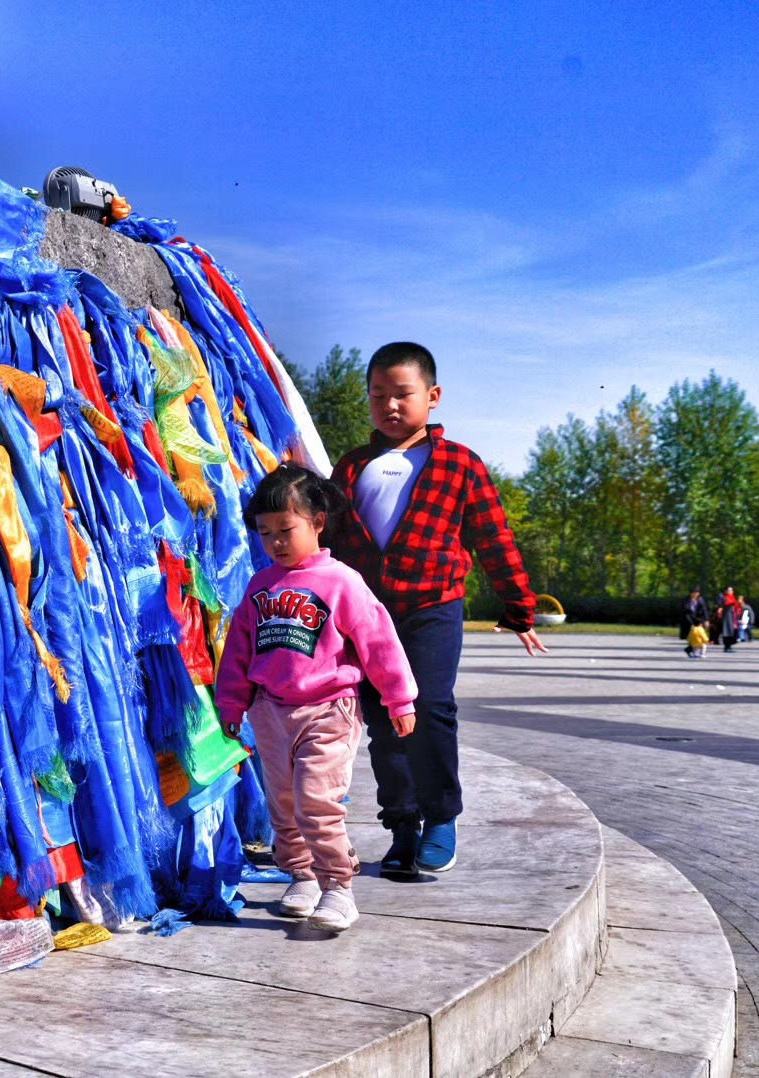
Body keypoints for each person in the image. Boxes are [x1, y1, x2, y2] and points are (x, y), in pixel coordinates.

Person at [327, 342, 543, 880]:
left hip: (433, 607)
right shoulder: (352, 466)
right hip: (367, 616)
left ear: (433, 396)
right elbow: (323, 535)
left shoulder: (459, 464)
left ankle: (441, 818)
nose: (389, 405)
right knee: (384, 721)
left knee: (429, 709)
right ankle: (402, 827)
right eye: (378, 395)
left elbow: (494, 538)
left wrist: (519, 605)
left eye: (402, 394)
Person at [215, 465, 419, 933]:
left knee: (315, 800)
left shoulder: (341, 581)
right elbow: (239, 650)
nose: (276, 542)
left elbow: (379, 641)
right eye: (265, 533)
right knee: (284, 804)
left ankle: (338, 886)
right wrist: (232, 704)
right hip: (270, 711)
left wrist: (399, 699)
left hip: (329, 709)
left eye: (286, 530)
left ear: (317, 522)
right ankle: (302, 876)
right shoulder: (260, 585)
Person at [681, 588, 707, 652]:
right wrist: (691, 623)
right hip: (688, 619)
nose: (695, 594)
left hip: (698, 620)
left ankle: (693, 649)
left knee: (699, 635)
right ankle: (691, 649)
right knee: (691, 636)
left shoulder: (700, 600)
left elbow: (704, 610)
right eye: (693, 593)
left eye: (696, 593)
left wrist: (707, 620)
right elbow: (685, 610)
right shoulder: (686, 599)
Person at [718, 587, 742, 653]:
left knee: (731, 632)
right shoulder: (724, 597)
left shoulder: (733, 597)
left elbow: (736, 606)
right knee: (727, 631)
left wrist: (738, 604)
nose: (730, 591)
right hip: (727, 617)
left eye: (731, 590)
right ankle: (726, 647)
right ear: (726, 591)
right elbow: (725, 604)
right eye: (729, 590)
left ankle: (729, 646)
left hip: (732, 617)